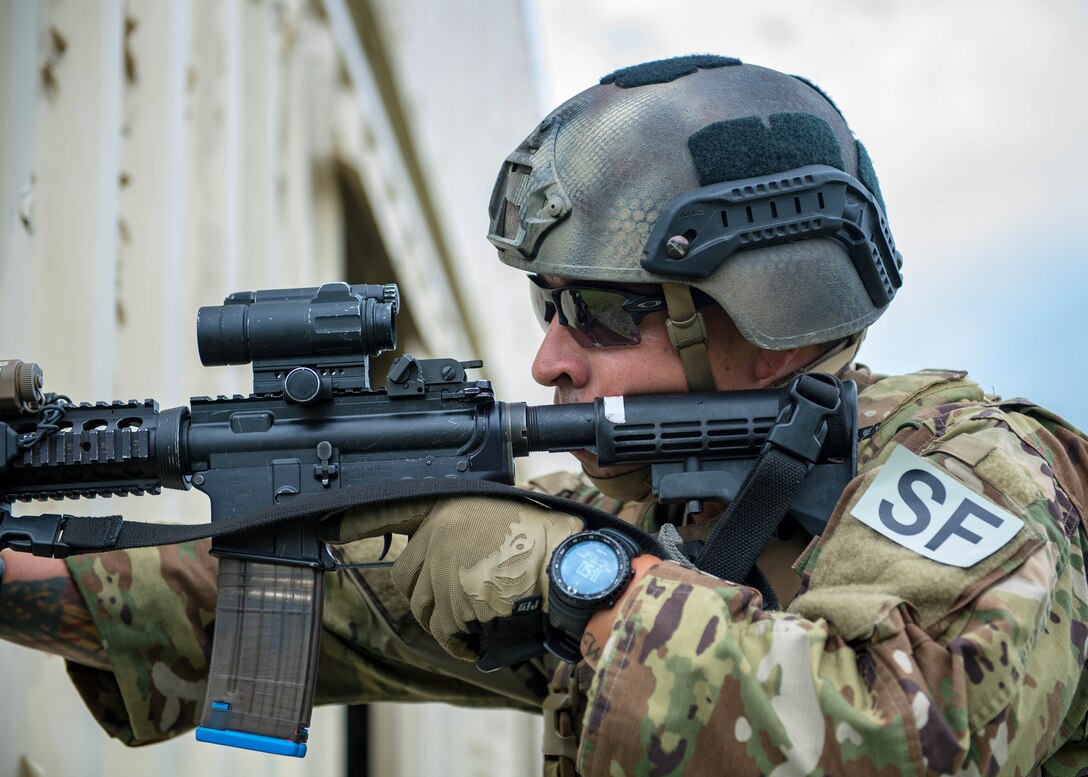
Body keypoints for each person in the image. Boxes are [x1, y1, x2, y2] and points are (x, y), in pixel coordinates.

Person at [2, 55, 1087, 776]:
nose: (548, 356)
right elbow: (280, 606)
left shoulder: (968, 468)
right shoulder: (672, 520)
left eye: (601, 313)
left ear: (767, 314)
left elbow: (910, 735)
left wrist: (567, 582)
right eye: (544, 303)